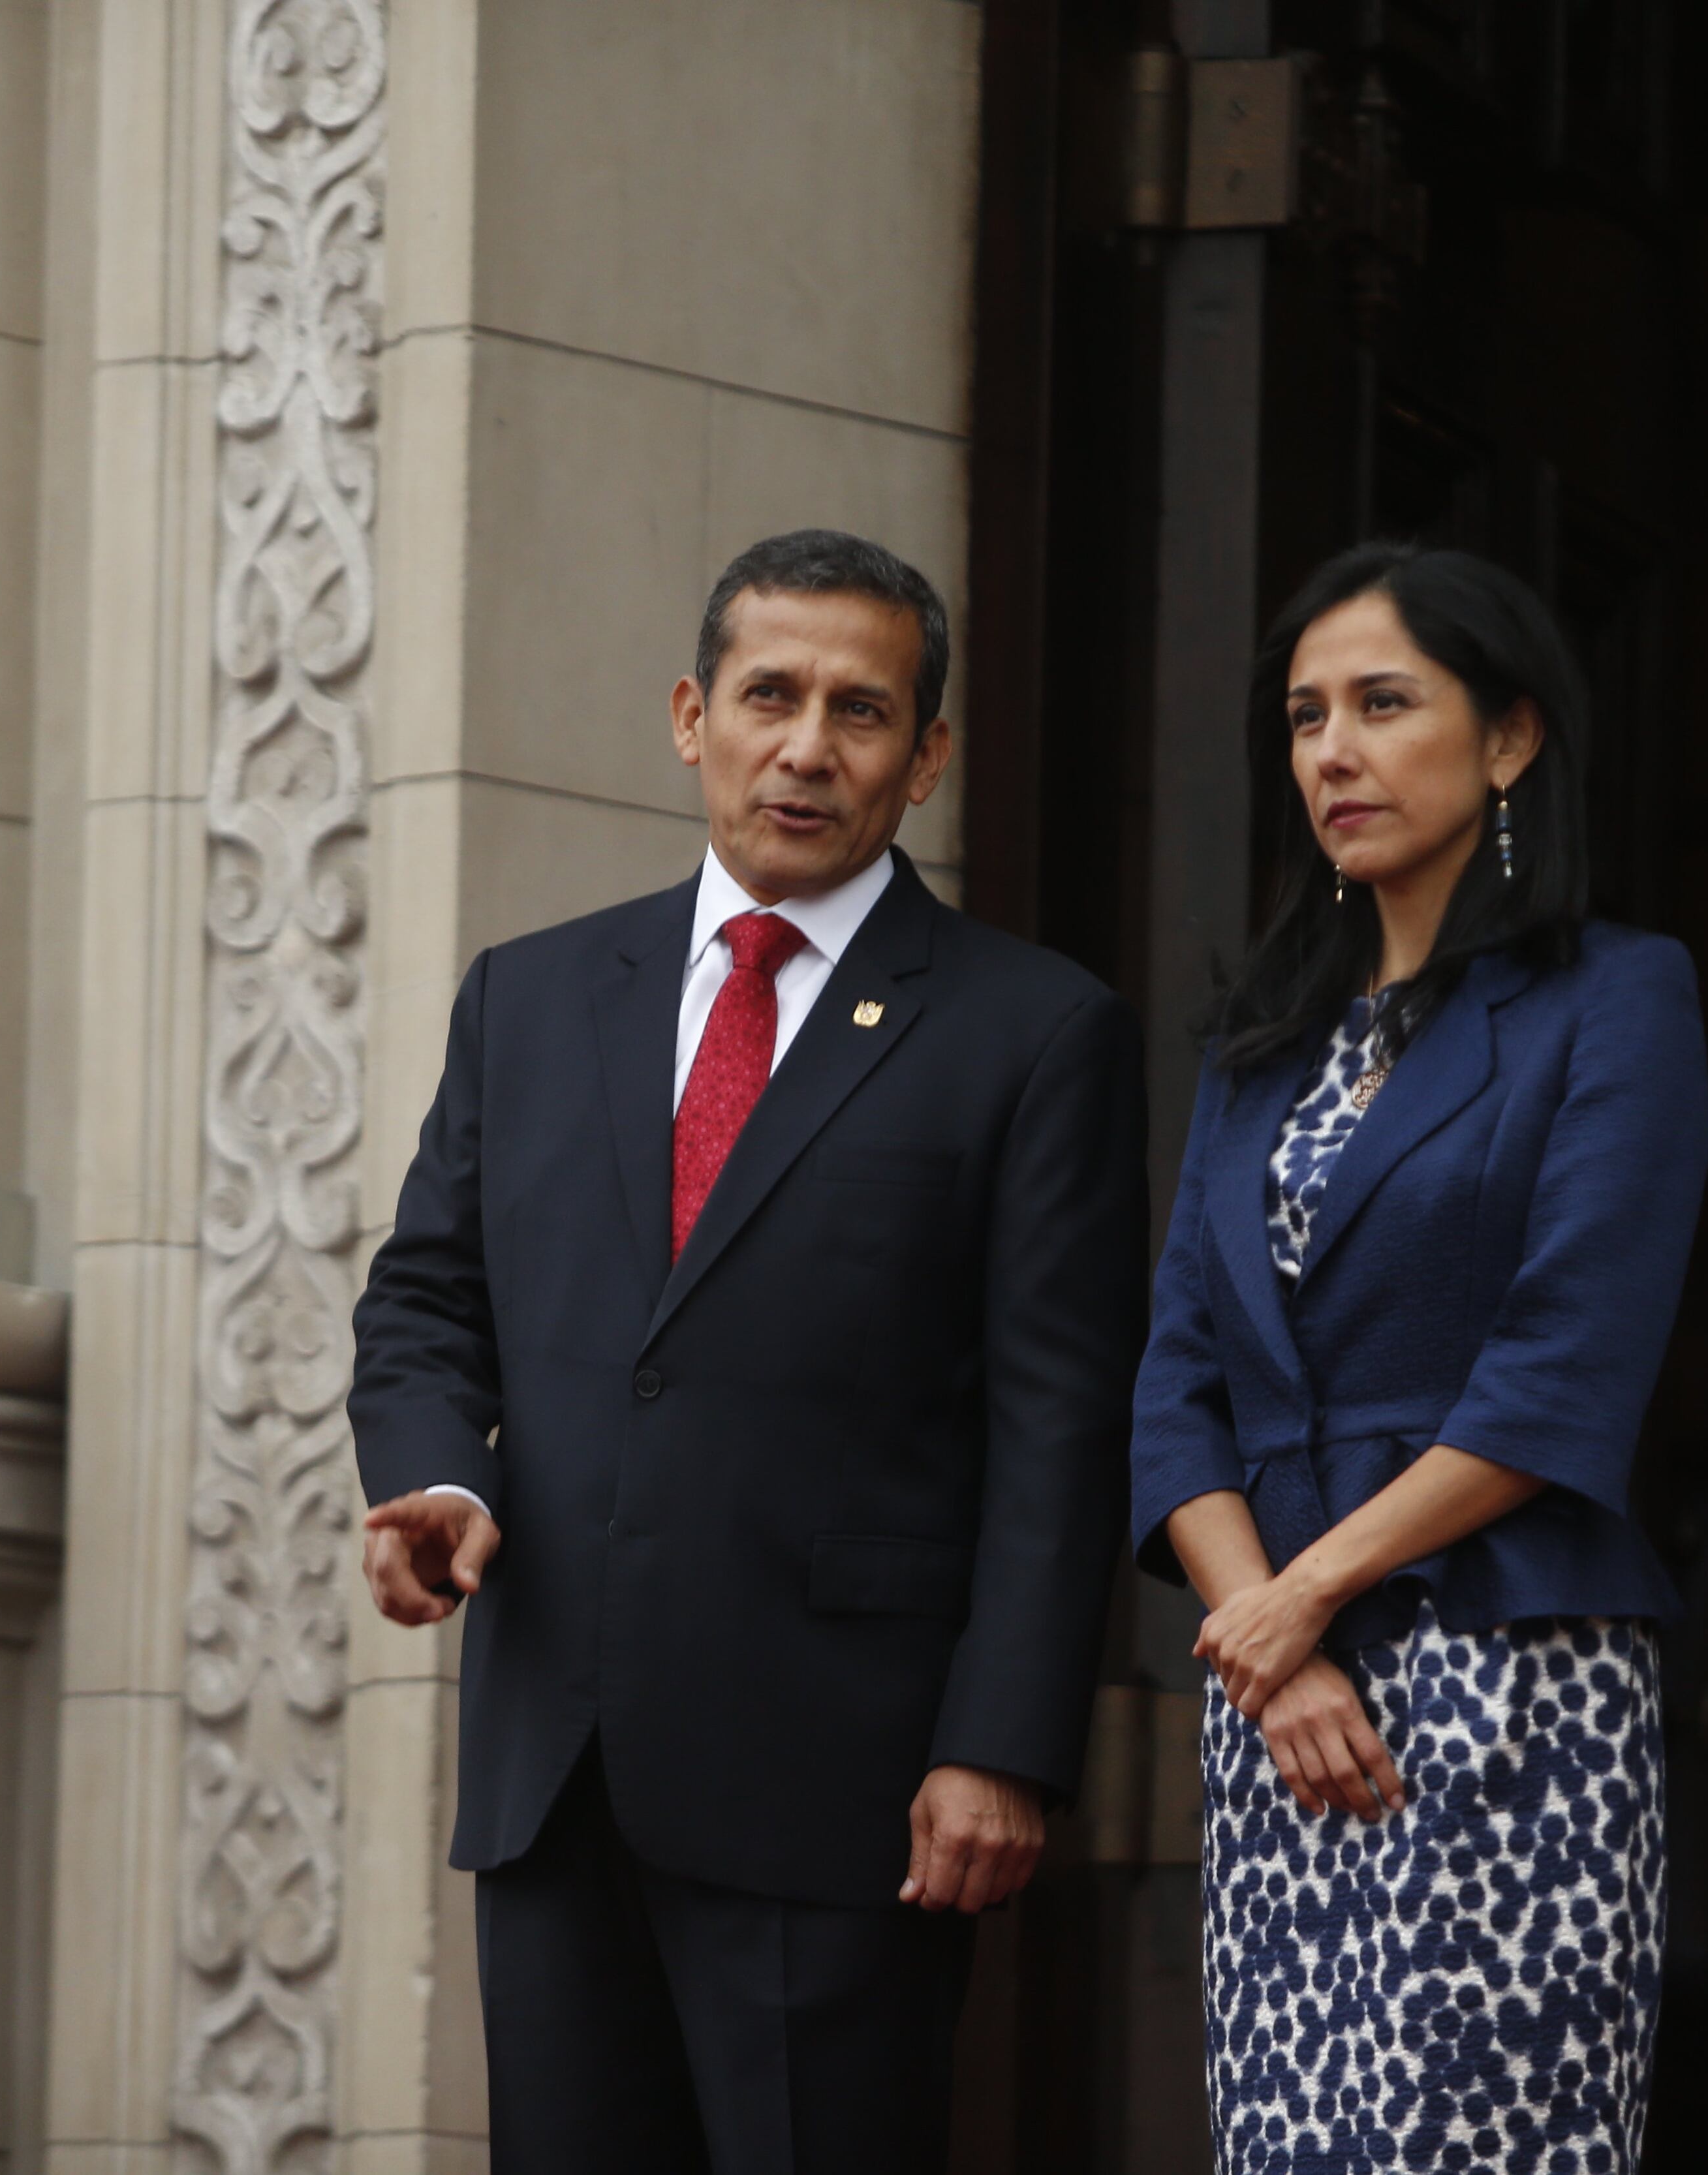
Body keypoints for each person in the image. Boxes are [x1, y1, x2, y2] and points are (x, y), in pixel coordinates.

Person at [347, 529, 1147, 2172]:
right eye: (768, 694)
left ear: (925, 756)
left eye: (862, 711)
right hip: (559, 1769)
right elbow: (426, 1297)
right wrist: (433, 1469)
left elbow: (1059, 1418)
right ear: (688, 715)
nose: (806, 745)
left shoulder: (1033, 1031)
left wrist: (999, 1740)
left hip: (846, 1785)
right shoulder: (533, 994)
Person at [1128, 542, 1708, 2175]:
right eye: (1307, 716)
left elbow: (1562, 1366)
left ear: (1510, 737)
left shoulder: (1617, 999)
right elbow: (1178, 1380)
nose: (1333, 750)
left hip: (1506, 1682)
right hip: (1283, 1716)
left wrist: (1301, 1594)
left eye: (1384, 704)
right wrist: (1269, 1642)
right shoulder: (1260, 1043)